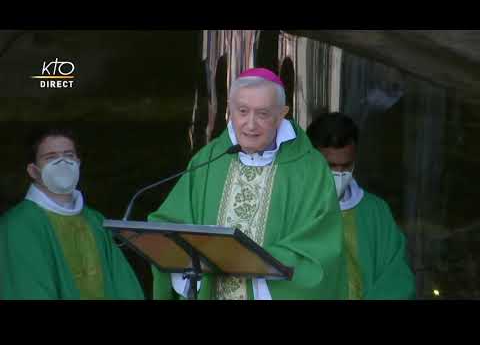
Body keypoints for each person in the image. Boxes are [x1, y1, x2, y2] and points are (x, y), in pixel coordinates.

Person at [148, 68, 348, 300]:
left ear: (282, 113)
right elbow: (169, 225)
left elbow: (319, 251)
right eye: (242, 111)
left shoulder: (309, 169)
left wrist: (252, 261)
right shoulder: (209, 159)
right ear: (229, 110)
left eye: (262, 114)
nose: (250, 125)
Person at [0, 128, 144, 300]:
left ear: (78, 162)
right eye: (51, 157)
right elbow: (27, 288)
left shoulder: (95, 220)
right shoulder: (18, 225)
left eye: (69, 155)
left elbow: (123, 283)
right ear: (33, 171)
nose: (62, 163)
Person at [307, 112, 416, 300]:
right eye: (330, 166)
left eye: (346, 165)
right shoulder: (292, 208)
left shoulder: (376, 212)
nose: (339, 173)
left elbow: (397, 278)